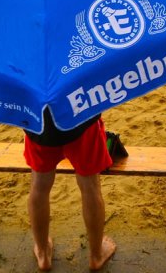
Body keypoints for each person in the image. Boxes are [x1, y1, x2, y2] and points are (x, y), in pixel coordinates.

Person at [24, 109, 116, 271]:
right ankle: (96, 255)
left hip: (40, 120)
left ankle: (43, 253)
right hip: (81, 117)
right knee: (90, 187)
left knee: (39, 186)